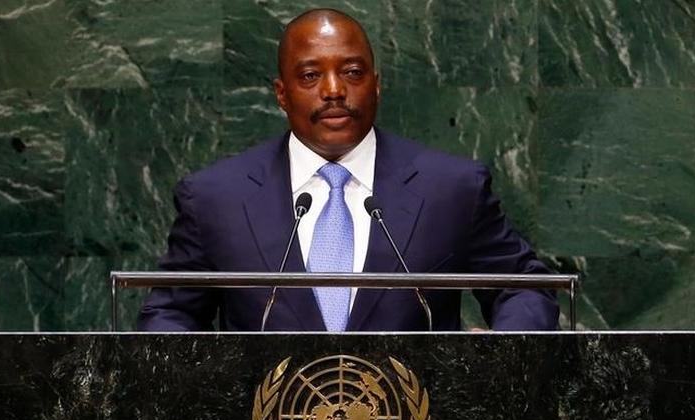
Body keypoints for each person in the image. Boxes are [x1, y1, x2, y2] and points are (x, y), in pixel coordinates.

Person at [137, 8, 558, 332]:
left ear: (376, 84)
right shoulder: (215, 198)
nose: (335, 90)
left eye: (352, 72)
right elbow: (171, 311)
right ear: (282, 94)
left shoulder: (451, 188)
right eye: (310, 75)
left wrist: (506, 355)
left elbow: (523, 286)